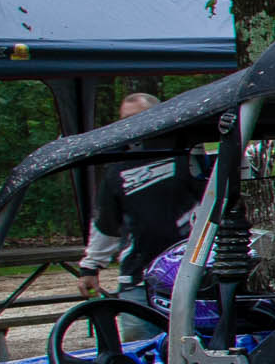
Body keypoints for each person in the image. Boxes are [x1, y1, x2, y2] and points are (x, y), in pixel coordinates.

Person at [75, 91, 201, 296]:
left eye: (141, 116)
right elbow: (105, 222)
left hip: (190, 273)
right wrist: (90, 267)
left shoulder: (188, 153)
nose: (133, 124)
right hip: (137, 278)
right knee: (136, 328)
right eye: (126, 119)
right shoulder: (116, 167)